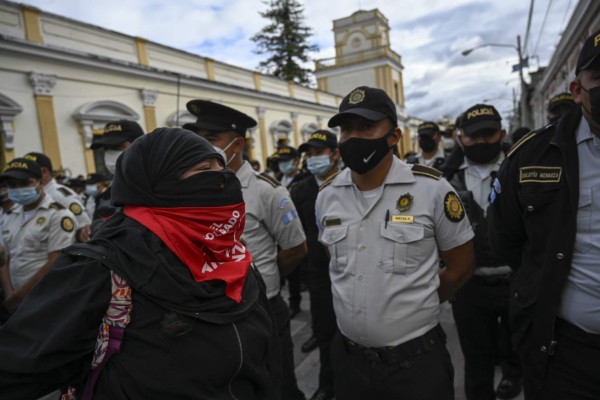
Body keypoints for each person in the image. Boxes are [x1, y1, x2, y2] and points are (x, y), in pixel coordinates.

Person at [0, 128, 281, 399]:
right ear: (159, 181)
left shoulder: (234, 254)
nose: (221, 179)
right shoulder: (101, 267)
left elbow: (265, 358)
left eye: (220, 168)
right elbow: (18, 367)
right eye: (204, 169)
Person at [316, 86, 475, 400]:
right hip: (350, 364)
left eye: (367, 126)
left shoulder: (431, 189)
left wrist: (416, 305)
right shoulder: (327, 196)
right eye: (347, 129)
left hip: (416, 366)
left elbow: (461, 266)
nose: (354, 137)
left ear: (394, 136)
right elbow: (334, 264)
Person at [489, 28, 600, 400]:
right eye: (598, 76)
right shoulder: (531, 157)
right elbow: (506, 241)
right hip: (567, 353)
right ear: (577, 90)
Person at [184, 99, 308, 400]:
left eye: (211, 139)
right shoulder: (193, 189)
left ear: (237, 143)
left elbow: (295, 248)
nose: (202, 146)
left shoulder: (267, 191)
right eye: (198, 138)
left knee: (279, 385)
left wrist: (259, 279)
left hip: (261, 308)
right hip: (215, 311)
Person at [444, 104, 522, 400]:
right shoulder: (445, 179)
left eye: (488, 135)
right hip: (470, 286)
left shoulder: (522, 166)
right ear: (460, 138)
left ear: (501, 134)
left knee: (519, 346)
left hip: (516, 281)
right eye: (473, 136)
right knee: (476, 359)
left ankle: (514, 377)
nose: (480, 142)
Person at [291, 130, 341, 400]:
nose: (313, 159)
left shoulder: (351, 184)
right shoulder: (300, 189)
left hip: (351, 270)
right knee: (325, 330)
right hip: (319, 273)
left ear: (335, 154)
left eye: (318, 153)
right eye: (309, 154)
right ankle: (327, 385)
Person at [0, 158, 76, 315]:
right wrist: (9, 294)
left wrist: (21, 294)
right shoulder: (10, 215)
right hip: (15, 302)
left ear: (40, 182)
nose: (18, 189)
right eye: (12, 186)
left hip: (48, 297)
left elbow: (56, 260)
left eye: (24, 183)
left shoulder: (58, 214)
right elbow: (5, 257)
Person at [89, 120, 144, 233]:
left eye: (117, 146)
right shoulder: (106, 195)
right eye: (106, 148)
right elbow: (98, 226)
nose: (110, 154)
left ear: (140, 145)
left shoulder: (161, 185)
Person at [24, 152, 91, 242]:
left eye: (29, 173)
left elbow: (85, 229)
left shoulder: (61, 196)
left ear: (44, 172)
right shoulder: (31, 196)